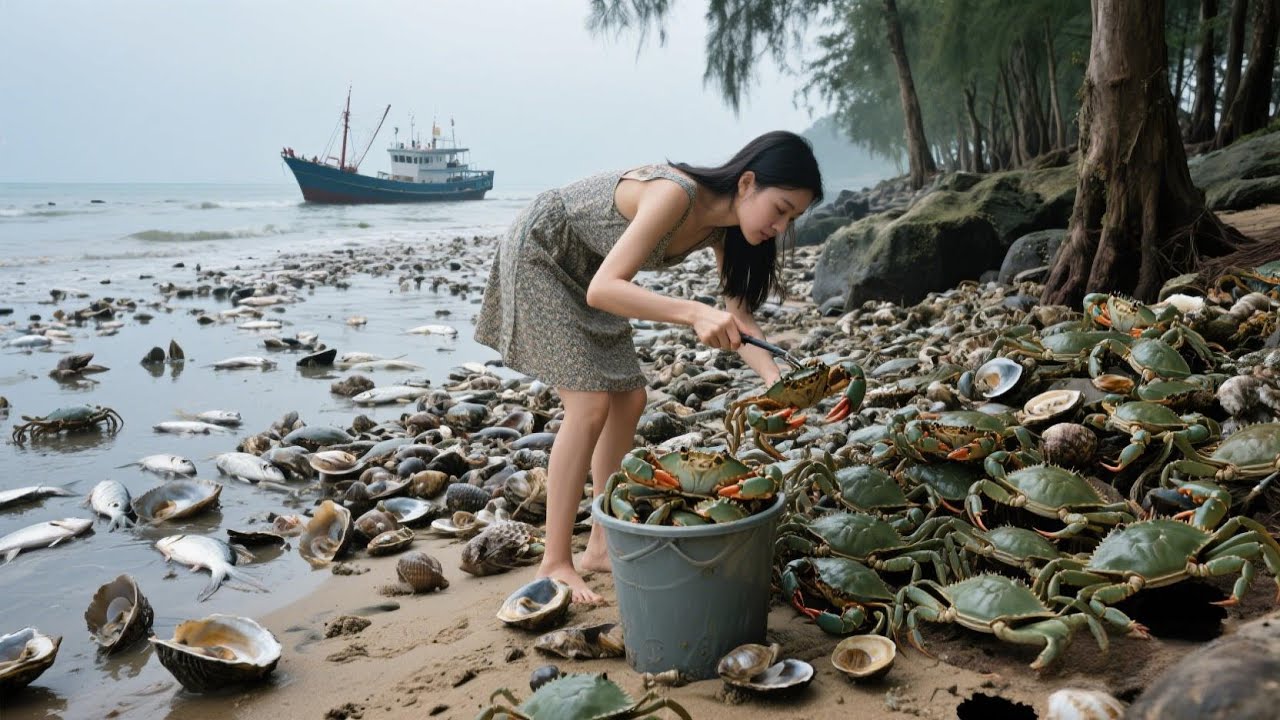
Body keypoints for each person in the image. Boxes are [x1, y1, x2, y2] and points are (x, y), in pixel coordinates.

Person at [474, 130, 823, 603]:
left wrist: (775, 380)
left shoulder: (727, 231)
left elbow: (740, 319)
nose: (780, 227)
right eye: (780, 209)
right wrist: (693, 312)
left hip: (593, 270)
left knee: (630, 400)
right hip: (544, 251)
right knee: (590, 405)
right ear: (746, 183)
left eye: (792, 219)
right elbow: (604, 289)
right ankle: (555, 560)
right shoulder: (675, 193)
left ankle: (601, 546)